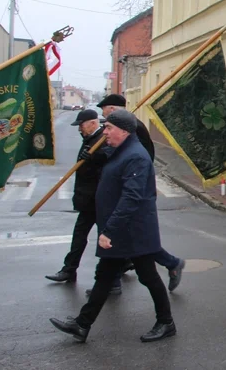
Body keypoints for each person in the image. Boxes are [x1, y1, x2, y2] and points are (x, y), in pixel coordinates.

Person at [49, 110, 176, 343]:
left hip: (132, 230)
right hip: (120, 229)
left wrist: (109, 230)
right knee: (105, 276)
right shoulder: (121, 152)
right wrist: (92, 156)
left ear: (124, 131)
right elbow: (108, 163)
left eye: (108, 128)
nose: (104, 132)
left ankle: (166, 323)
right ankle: (82, 325)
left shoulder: (136, 156)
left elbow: (132, 197)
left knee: (148, 276)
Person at [95, 93, 185, 289]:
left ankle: (114, 283)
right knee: (137, 253)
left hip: (133, 190)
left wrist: (135, 176)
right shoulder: (116, 128)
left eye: (106, 111)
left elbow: (143, 154)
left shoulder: (134, 128)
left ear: (113, 109)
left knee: (141, 253)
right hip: (119, 192)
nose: (105, 129)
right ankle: (112, 282)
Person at [45, 109, 122, 294]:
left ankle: (115, 280)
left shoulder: (104, 139)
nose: (80, 129)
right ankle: (69, 270)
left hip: (100, 199)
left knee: (108, 240)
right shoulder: (90, 139)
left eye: (82, 125)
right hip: (88, 199)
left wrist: (94, 158)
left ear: (93, 123)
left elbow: (110, 161)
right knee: (80, 235)